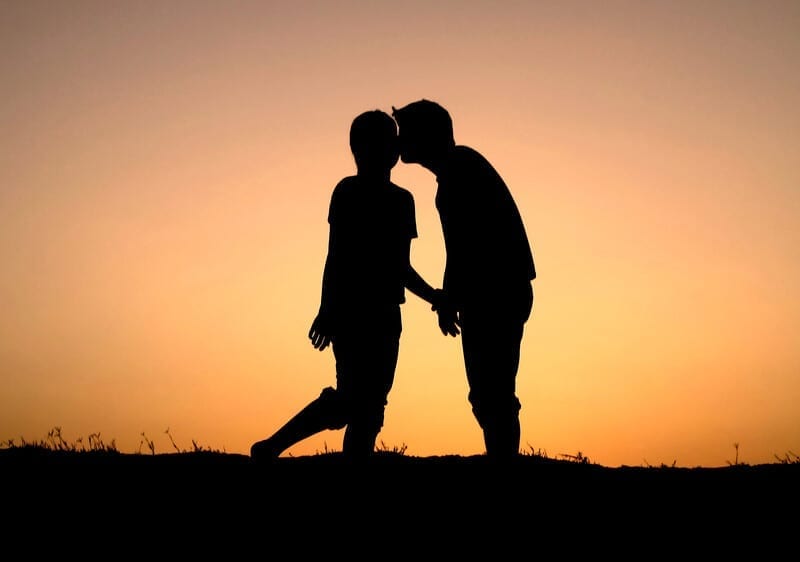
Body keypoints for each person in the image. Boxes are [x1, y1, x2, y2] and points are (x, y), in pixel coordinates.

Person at [250, 109, 441, 461]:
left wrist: (434, 298)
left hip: (384, 313)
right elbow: (336, 255)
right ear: (361, 148)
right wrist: (327, 310)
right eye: (387, 139)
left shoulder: (402, 200)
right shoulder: (348, 193)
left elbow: (399, 266)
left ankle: (315, 458)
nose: (395, 146)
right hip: (353, 312)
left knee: (369, 409)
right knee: (352, 400)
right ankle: (272, 447)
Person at [391, 99, 536, 459]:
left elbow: (464, 247)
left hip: (495, 293)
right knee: (492, 392)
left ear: (426, 136)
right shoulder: (460, 167)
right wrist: (450, 296)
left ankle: (503, 464)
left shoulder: (457, 174)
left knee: (493, 393)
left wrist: (448, 299)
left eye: (405, 132)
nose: (398, 141)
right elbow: (463, 248)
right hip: (499, 290)